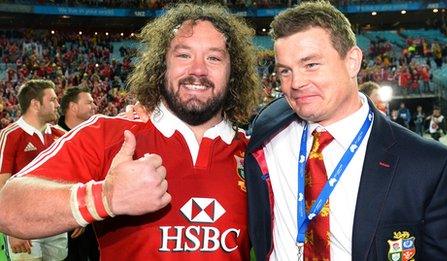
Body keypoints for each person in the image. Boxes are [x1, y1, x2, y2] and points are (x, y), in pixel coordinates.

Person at [0, 4, 260, 260]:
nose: (198, 70)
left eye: (213, 57)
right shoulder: (108, 135)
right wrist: (105, 197)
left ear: (232, 73)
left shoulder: (257, 155)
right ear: (161, 67)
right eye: (183, 55)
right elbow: (7, 207)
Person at [245, 1, 447, 260]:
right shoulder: (268, 131)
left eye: (311, 64)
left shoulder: (430, 166)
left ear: (352, 61)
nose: (297, 83)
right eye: (285, 71)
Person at [0, 79, 68, 261]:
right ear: (35, 104)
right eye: (52, 100)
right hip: (23, 223)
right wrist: (10, 228)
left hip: (57, 218)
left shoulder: (59, 135)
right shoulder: (10, 134)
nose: (57, 104)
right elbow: (2, 183)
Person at [57, 87, 99, 261]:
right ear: (73, 107)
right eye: (89, 102)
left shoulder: (93, 134)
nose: (94, 106)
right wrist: (74, 214)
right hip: (67, 218)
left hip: (93, 216)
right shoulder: (53, 136)